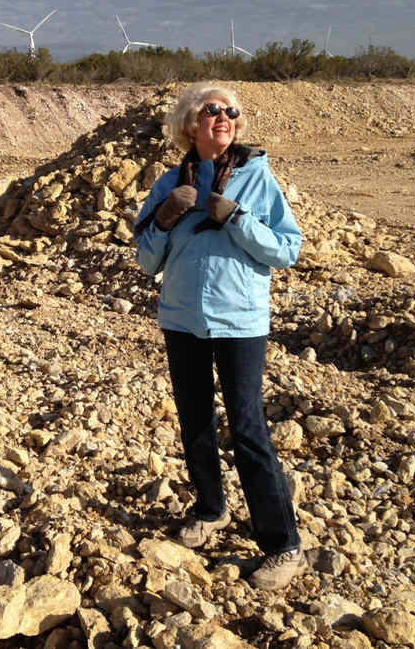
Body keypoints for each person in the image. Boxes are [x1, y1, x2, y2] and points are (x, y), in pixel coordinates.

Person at [133, 82, 304, 592]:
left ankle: (282, 544)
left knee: (248, 429)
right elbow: (147, 261)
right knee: (195, 422)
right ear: (191, 124)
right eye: (212, 111)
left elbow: (287, 250)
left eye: (231, 111)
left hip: (240, 322)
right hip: (182, 319)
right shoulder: (169, 183)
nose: (224, 117)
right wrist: (165, 218)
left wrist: (236, 219)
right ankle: (210, 509)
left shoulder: (257, 179)